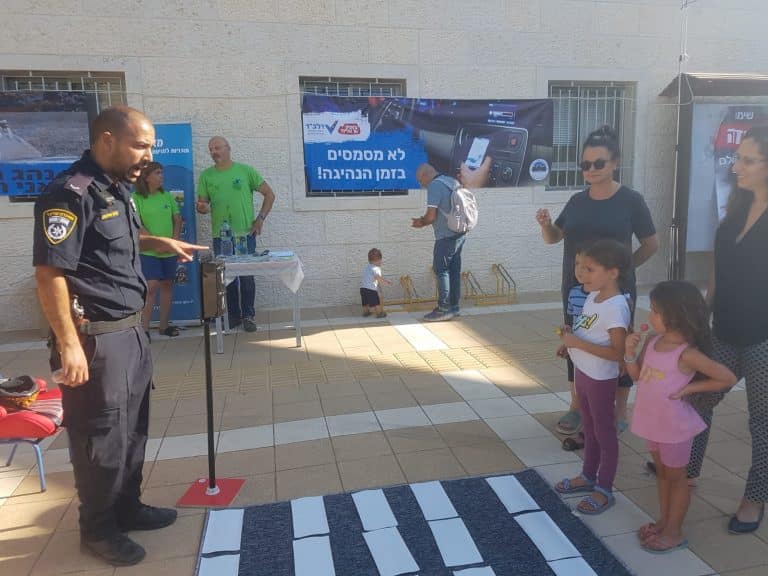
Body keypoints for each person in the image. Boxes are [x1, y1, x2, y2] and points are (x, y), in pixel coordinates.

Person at [32, 106, 206, 566]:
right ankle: (99, 528)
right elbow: (49, 273)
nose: (147, 156)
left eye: (150, 147)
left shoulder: (117, 190)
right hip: (96, 342)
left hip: (131, 334)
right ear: (106, 139)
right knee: (100, 437)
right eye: (140, 145)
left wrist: (159, 242)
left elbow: (121, 241)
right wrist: (69, 344)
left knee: (133, 430)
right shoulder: (70, 194)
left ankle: (128, 507)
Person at [653, 126, 768, 534]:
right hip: (724, 329)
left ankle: (755, 498)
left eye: (748, 160)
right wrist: (701, 323)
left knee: (762, 422)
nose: (736, 166)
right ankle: (686, 469)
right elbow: (719, 271)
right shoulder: (734, 210)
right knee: (696, 402)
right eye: (738, 158)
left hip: (763, 338)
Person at [536, 125, 658, 436]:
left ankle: (618, 410)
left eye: (598, 163)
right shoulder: (577, 201)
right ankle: (577, 406)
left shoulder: (631, 200)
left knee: (617, 347)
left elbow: (651, 244)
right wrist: (546, 225)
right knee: (576, 343)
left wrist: (625, 271)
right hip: (577, 291)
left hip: (616, 293)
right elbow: (554, 238)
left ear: (615, 162)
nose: (591, 170)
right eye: (585, 165)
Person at [626, 281, 736, 553]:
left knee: (677, 478)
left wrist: (691, 387)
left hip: (674, 426)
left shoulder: (687, 353)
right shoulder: (652, 341)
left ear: (676, 315)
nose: (649, 316)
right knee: (662, 475)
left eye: (655, 311)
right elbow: (637, 376)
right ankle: (664, 522)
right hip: (652, 422)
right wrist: (628, 352)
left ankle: (674, 532)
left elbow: (727, 377)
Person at [554, 239, 631, 515]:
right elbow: (586, 331)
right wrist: (569, 341)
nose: (580, 273)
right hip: (584, 373)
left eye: (589, 268)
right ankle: (588, 476)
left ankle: (604, 489)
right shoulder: (592, 295)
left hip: (600, 379)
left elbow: (616, 353)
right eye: (578, 266)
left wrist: (577, 342)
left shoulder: (615, 306)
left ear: (612, 272)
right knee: (588, 428)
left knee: (604, 433)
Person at [195, 136, 275, 332]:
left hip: (245, 234)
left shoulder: (245, 171)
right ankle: (233, 317)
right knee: (227, 278)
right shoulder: (206, 176)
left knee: (247, 277)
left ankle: (249, 316)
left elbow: (270, 194)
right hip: (221, 237)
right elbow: (203, 205)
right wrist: (202, 208)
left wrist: (260, 219)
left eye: (218, 147)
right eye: (211, 149)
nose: (214, 151)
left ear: (228, 148)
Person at [132, 162, 182, 339]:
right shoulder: (136, 198)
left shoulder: (167, 196)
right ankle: (144, 329)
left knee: (167, 284)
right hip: (148, 251)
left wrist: (173, 242)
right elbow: (138, 225)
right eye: (157, 173)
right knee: (151, 286)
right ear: (146, 177)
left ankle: (164, 326)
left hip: (169, 250)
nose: (162, 176)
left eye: (162, 173)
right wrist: (156, 244)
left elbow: (177, 219)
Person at [412, 163, 466, 322]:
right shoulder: (451, 181)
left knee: (441, 270)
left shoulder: (434, 186)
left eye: (420, 181)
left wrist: (420, 222)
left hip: (445, 236)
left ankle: (443, 309)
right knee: (454, 271)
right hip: (460, 233)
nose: (421, 184)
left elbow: (430, 217)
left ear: (425, 175)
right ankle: (454, 307)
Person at [360, 247, 392, 318]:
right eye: (380, 260)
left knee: (365, 302)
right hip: (371, 289)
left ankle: (366, 312)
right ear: (379, 260)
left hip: (362, 289)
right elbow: (378, 277)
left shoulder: (368, 266)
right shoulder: (376, 268)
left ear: (369, 260)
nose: (381, 262)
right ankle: (379, 313)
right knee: (376, 302)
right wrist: (386, 282)